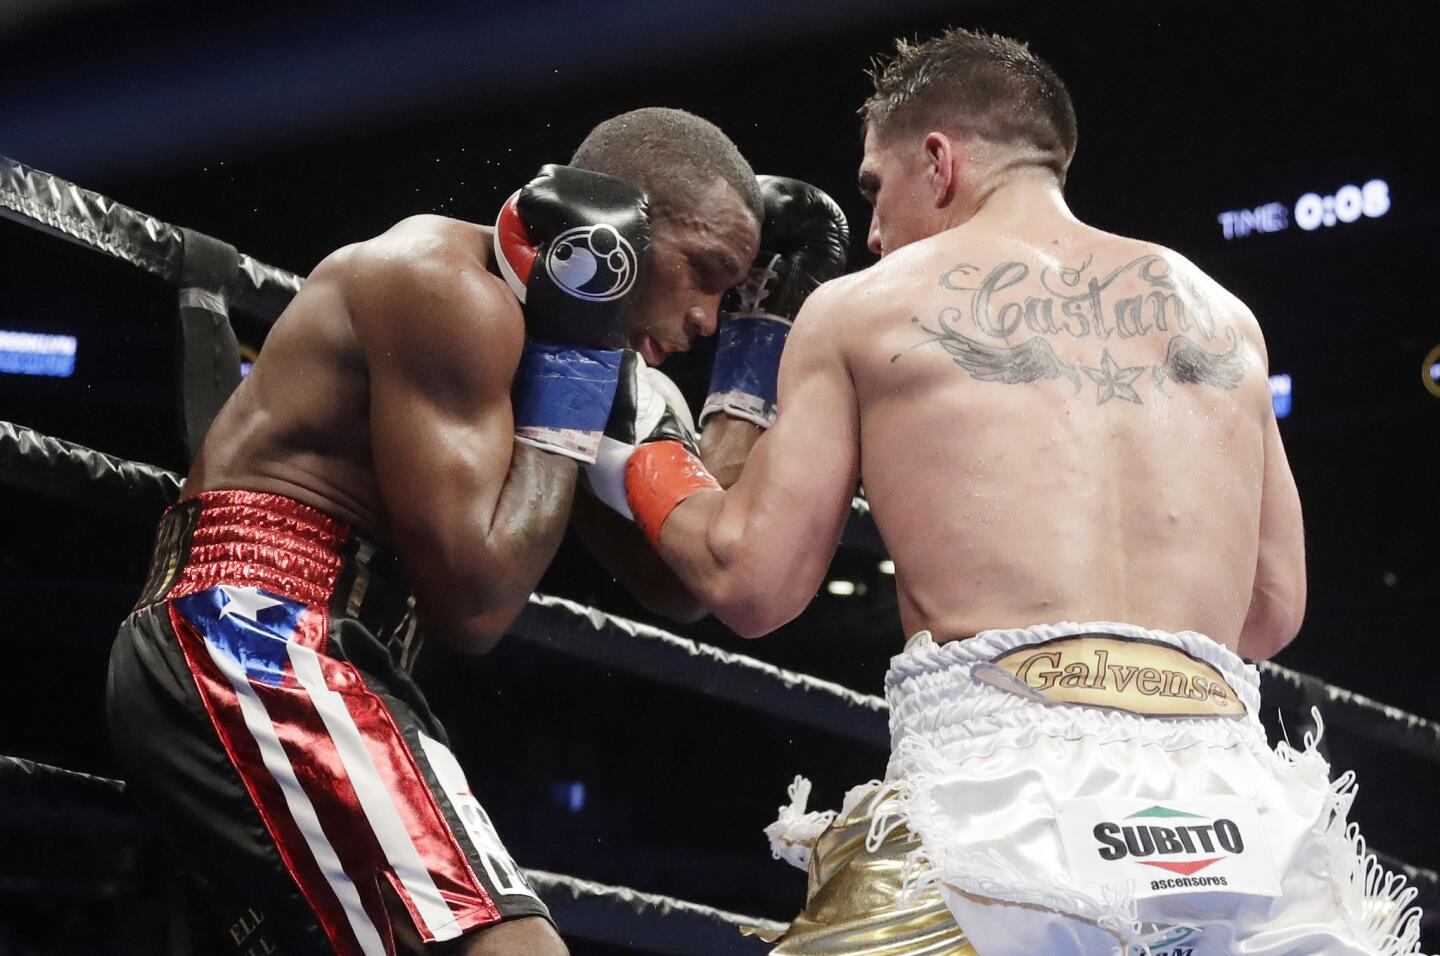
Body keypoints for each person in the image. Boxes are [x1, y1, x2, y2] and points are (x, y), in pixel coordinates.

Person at [584, 31, 1425, 956]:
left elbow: (752, 582)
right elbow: (1271, 612)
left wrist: (640, 443)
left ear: (938, 161)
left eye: (875, 188)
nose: (869, 231)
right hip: (1242, 826)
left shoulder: (867, 306)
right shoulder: (1226, 318)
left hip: (1000, 824)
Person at [105, 107, 763, 956]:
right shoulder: (445, 289)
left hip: (337, 663)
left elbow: (691, 579)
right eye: (704, 273)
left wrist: (756, 357)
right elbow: (476, 604)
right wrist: (574, 378)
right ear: (618, 231)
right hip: (255, 638)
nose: (708, 317)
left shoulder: (577, 348)